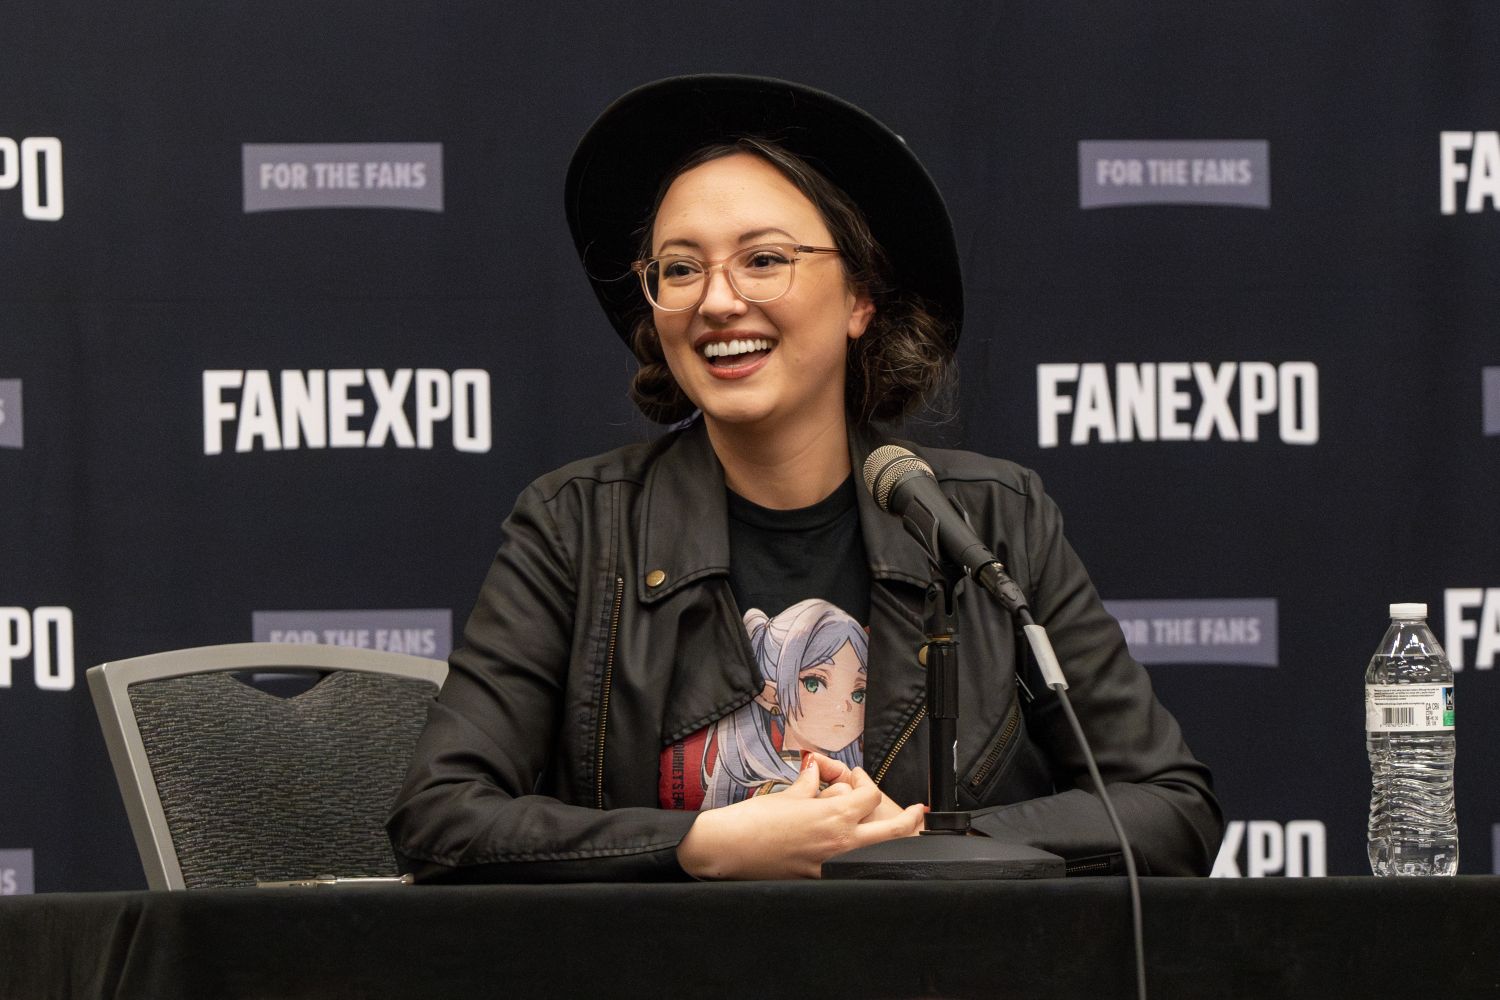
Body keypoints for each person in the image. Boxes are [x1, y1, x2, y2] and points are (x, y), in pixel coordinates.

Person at [387, 75, 1222, 882]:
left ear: (861, 297)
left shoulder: (993, 518)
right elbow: (443, 817)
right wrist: (703, 845)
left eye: (764, 259)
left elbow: (1168, 808)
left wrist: (901, 844)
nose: (717, 301)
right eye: (680, 269)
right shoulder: (576, 527)